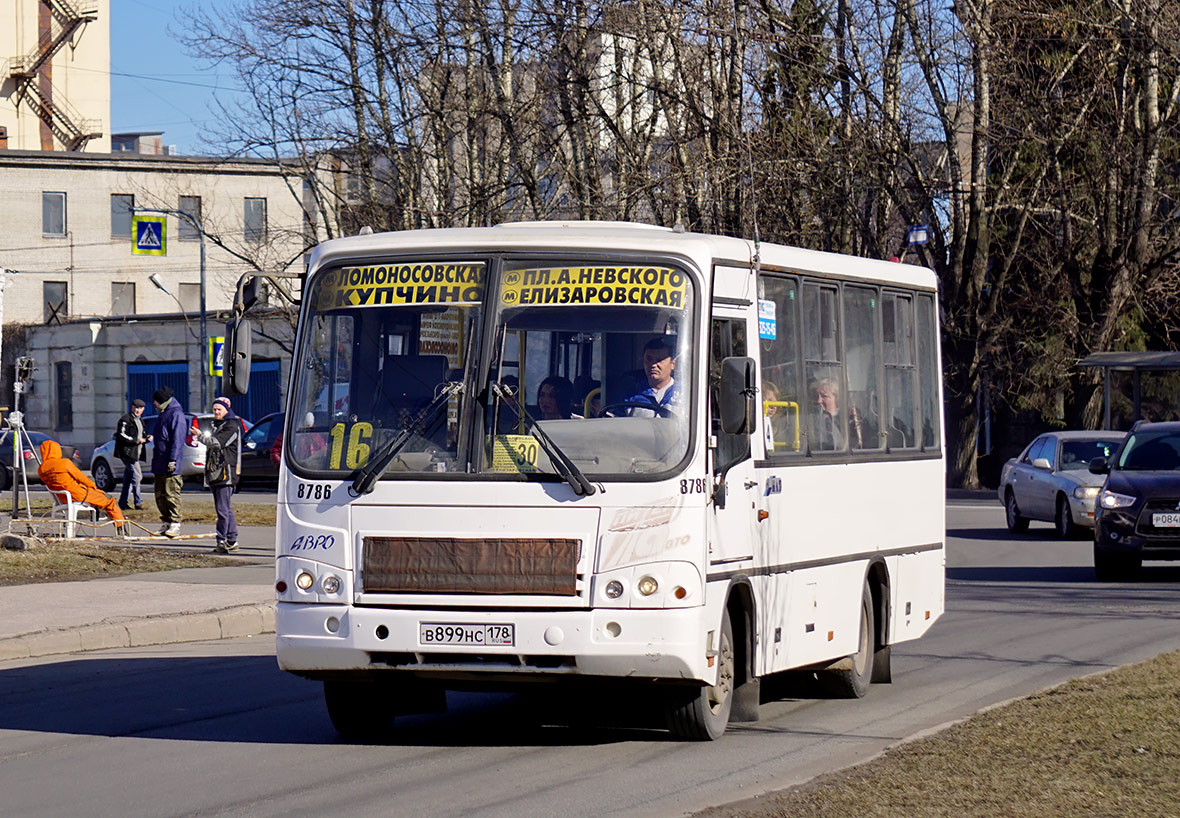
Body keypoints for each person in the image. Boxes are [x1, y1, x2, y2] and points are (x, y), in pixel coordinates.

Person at [38, 439, 127, 536]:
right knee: (110, 501)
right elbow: (82, 478)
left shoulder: (41, 469)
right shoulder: (64, 463)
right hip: (78, 495)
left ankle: (97, 508)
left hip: (63, 499)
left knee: (98, 496)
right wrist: (94, 487)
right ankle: (121, 528)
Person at [199, 396, 242, 553]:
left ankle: (222, 541)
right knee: (225, 508)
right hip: (215, 472)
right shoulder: (216, 425)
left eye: (219, 409)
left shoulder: (232, 426)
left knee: (222, 510)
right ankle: (231, 539)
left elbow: (217, 443)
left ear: (227, 410)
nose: (216, 412)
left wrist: (200, 436)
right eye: (214, 409)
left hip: (226, 473)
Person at [151, 385, 187, 538]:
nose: (154, 404)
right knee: (160, 494)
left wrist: (173, 459)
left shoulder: (176, 415)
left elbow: (177, 441)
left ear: (162, 401)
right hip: (159, 462)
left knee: (171, 493)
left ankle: (175, 523)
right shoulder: (163, 413)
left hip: (170, 463)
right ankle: (165, 521)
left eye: (156, 401)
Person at [626, 337, 680, 417]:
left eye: (659, 360)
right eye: (649, 359)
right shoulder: (631, 394)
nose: (653, 365)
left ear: (673, 364)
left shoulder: (685, 394)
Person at [114, 398, 148, 510]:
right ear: (132, 407)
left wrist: (147, 438)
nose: (138, 410)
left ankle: (123, 502)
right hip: (127, 452)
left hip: (136, 452)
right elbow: (121, 435)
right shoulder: (125, 419)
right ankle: (138, 503)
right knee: (137, 476)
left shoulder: (140, 420)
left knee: (128, 477)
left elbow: (141, 435)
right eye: (136, 407)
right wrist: (135, 440)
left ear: (143, 409)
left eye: (140, 408)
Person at [812, 377, 844, 451]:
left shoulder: (848, 421)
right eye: (816, 396)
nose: (819, 401)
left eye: (824, 396)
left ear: (836, 398)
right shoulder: (812, 420)